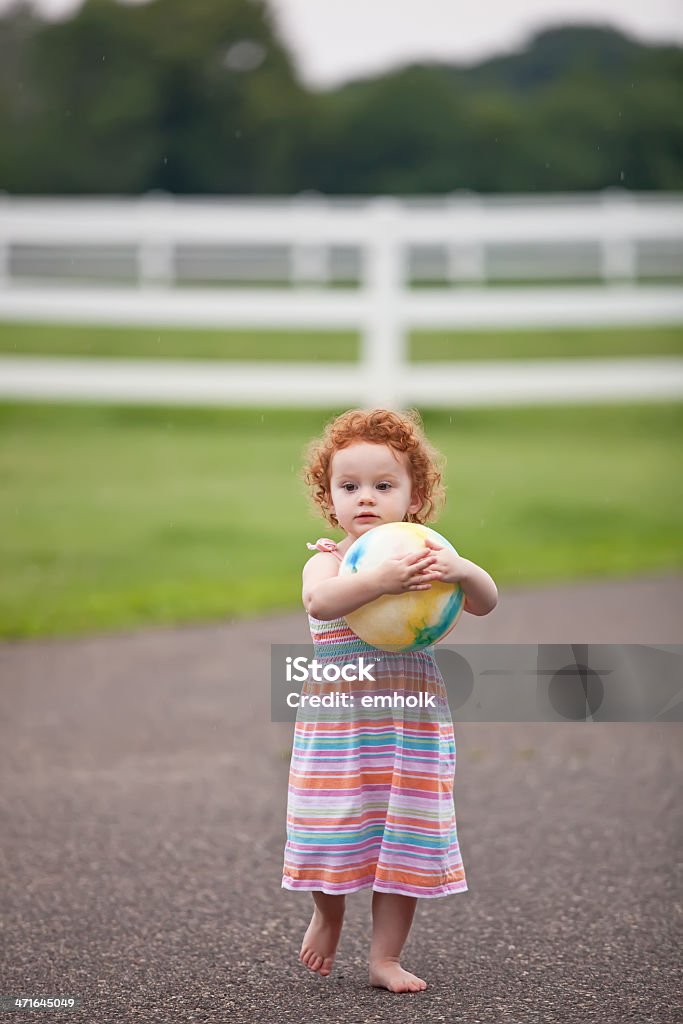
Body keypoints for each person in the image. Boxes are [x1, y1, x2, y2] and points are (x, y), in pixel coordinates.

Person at [281, 407, 498, 993]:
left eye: (383, 485)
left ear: (414, 494)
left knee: (404, 835)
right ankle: (327, 916)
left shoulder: (427, 560)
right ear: (330, 498)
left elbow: (485, 601)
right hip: (340, 728)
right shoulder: (327, 559)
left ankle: (385, 958)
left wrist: (463, 568)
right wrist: (379, 583)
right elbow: (321, 603)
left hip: (409, 726)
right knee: (331, 824)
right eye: (349, 486)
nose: (365, 498)